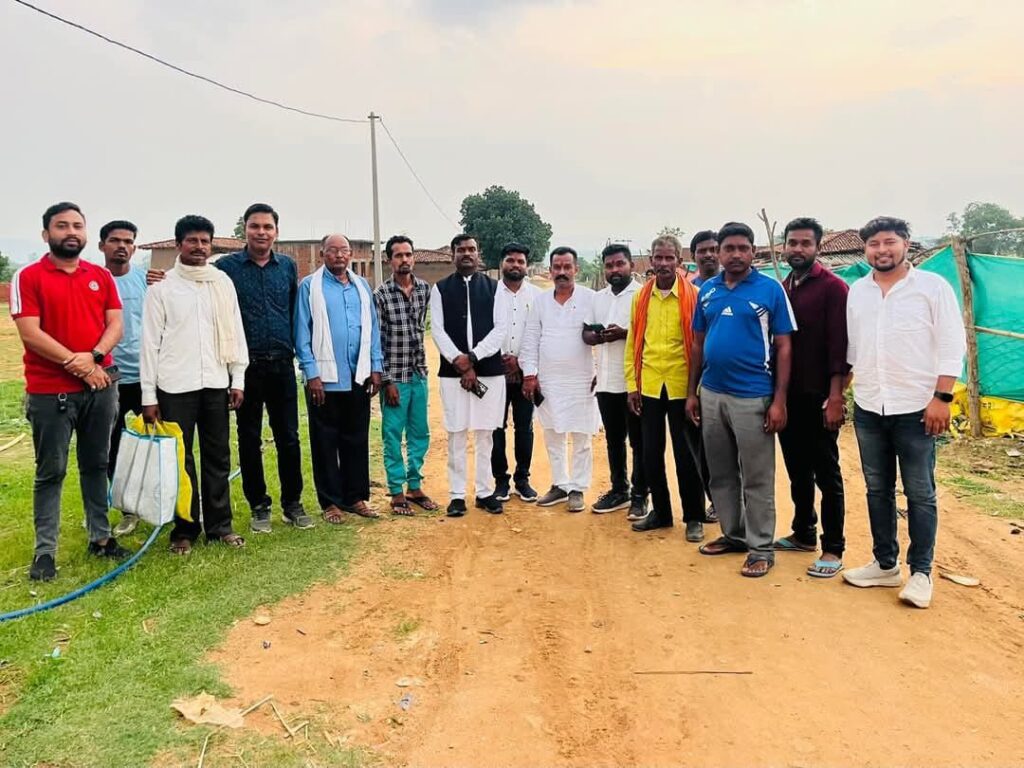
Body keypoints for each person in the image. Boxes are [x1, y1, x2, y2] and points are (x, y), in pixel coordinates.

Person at [842, 217, 966, 609]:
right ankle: (885, 564)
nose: (881, 250)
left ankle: (921, 573)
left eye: (889, 242)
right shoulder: (858, 292)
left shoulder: (932, 287)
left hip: (917, 408)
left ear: (906, 244)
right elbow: (853, 348)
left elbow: (952, 344)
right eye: (874, 244)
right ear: (865, 249)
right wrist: (839, 393)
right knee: (877, 488)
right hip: (869, 405)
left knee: (919, 492)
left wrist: (942, 397)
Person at [11, 202, 130, 581]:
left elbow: (115, 325)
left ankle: (101, 537)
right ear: (46, 234)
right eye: (62, 226)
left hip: (101, 387)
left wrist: (93, 358)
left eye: (77, 225)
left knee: (96, 464)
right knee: (52, 471)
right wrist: (76, 363)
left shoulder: (100, 276)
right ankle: (45, 552)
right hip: (51, 393)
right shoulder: (28, 276)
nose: (71, 232)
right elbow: (30, 333)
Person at [687, 222, 795, 577]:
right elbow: (698, 343)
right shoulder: (707, 290)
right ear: (718, 252)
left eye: (742, 248)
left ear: (753, 251)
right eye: (728, 248)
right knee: (720, 473)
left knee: (757, 477)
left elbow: (784, 346)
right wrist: (692, 393)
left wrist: (779, 401)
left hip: (753, 395)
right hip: (712, 393)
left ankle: (761, 547)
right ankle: (734, 535)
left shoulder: (770, 290)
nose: (735, 254)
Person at [140, 215, 249, 555]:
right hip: (175, 386)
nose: (200, 247)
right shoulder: (162, 288)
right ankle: (184, 529)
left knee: (218, 457)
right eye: (192, 241)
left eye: (205, 241)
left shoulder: (222, 283)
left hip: (216, 383)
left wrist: (237, 378)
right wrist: (148, 395)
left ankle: (220, 527)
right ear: (178, 244)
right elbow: (150, 345)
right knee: (179, 461)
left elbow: (236, 331)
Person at [214, 204, 310, 532]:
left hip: (282, 365)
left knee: (289, 437)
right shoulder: (226, 268)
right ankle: (259, 505)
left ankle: (292, 504)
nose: (261, 232)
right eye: (255, 226)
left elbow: (294, 310)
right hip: (246, 368)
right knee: (249, 438)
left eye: (268, 227)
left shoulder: (287, 267)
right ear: (245, 230)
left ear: (276, 232)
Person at [774, 217, 850, 578]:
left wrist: (836, 396)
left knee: (826, 473)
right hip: (788, 395)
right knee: (797, 469)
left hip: (820, 396)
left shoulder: (834, 288)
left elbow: (840, 347)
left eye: (805, 243)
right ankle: (803, 531)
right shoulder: (783, 287)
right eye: (793, 243)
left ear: (818, 247)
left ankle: (833, 547)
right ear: (784, 247)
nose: (798, 249)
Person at [295, 234, 384, 523]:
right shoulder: (310, 287)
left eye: (344, 250)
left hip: (358, 376)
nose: (339, 256)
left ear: (351, 254)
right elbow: (302, 333)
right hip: (324, 381)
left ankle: (354, 497)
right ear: (323, 255)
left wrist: (375, 366)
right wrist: (312, 374)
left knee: (356, 439)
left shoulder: (362, 286)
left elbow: (372, 329)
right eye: (332, 251)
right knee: (324, 442)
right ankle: (330, 502)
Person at [624, 236, 706, 541]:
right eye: (658, 258)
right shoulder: (641, 297)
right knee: (650, 453)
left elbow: (700, 346)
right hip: (649, 386)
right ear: (651, 260)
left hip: (683, 386)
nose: (663, 264)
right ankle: (661, 512)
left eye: (669, 258)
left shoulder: (694, 296)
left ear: (679, 262)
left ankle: (694, 517)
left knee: (687, 455)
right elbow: (633, 342)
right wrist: (632, 385)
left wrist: (695, 391)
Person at [430, 234, 508, 516]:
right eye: (461, 249)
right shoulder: (440, 289)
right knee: (457, 433)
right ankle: (457, 495)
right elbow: (437, 330)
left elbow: (500, 329)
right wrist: (460, 363)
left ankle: (485, 492)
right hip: (453, 374)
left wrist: (473, 358)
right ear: (453, 254)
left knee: (486, 433)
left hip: (489, 372)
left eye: (471, 249)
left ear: (478, 253)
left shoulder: (495, 288)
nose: (466, 253)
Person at [520, 247, 600, 512]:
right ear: (550, 270)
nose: (562, 272)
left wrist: (600, 371)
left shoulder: (591, 299)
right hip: (549, 380)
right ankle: (560, 484)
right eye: (557, 267)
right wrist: (530, 374)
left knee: (581, 436)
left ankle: (577, 488)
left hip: (582, 380)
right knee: (553, 434)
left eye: (567, 267)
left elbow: (602, 338)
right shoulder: (541, 302)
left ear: (576, 269)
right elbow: (530, 339)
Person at [374, 235, 437, 516]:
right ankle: (396, 491)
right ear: (390, 260)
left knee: (419, 433)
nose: (404, 260)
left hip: (418, 373)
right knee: (392, 435)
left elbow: (422, 329)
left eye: (408, 254)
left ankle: (415, 485)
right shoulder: (381, 295)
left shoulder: (424, 289)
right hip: (394, 378)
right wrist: (386, 380)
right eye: (398, 255)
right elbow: (377, 342)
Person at [584, 243, 647, 519]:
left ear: (631, 265)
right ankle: (619, 490)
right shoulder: (598, 298)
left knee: (639, 442)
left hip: (635, 384)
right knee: (613, 439)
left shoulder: (643, 295)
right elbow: (586, 332)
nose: (615, 270)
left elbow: (651, 334)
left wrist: (624, 334)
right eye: (609, 265)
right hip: (606, 382)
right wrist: (596, 336)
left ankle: (640, 495)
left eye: (620, 264)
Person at [98, 219, 148, 536]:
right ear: (102, 245)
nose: (122, 246)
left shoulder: (146, 279)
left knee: (158, 443)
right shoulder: (92, 280)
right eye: (115, 240)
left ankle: (163, 502)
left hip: (145, 378)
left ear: (134, 247)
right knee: (111, 448)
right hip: (108, 379)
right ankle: (128, 510)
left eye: (128, 241)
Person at [491, 242, 541, 503]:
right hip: (494, 373)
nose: (515, 265)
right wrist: (499, 360)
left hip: (525, 375)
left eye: (520, 261)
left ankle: (522, 479)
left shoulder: (537, 296)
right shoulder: (490, 294)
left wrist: (520, 363)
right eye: (510, 260)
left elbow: (539, 334)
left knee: (524, 427)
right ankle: (501, 481)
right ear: (502, 263)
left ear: (527, 266)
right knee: (495, 427)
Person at [687, 229, 721, 524]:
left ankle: (739, 505)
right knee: (704, 446)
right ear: (694, 256)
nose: (708, 255)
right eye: (702, 250)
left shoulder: (737, 284)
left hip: (736, 384)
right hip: (700, 382)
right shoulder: (689, 291)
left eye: (713, 249)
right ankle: (715, 501)